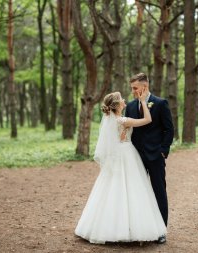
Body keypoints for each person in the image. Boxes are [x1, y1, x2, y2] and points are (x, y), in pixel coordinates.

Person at [74, 90, 167, 244]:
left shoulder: (109, 119)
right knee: (133, 188)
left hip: (115, 157)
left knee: (112, 189)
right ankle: (130, 229)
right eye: (121, 99)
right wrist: (143, 102)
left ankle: (102, 227)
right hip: (127, 154)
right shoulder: (123, 121)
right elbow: (148, 119)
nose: (125, 100)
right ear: (117, 105)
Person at [125, 73, 174, 244]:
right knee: (136, 193)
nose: (132, 91)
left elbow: (169, 129)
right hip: (135, 157)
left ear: (144, 87)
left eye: (135, 88)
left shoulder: (160, 103)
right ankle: (139, 230)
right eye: (132, 88)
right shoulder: (130, 106)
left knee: (159, 191)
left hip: (155, 156)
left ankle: (161, 231)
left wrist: (163, 150)